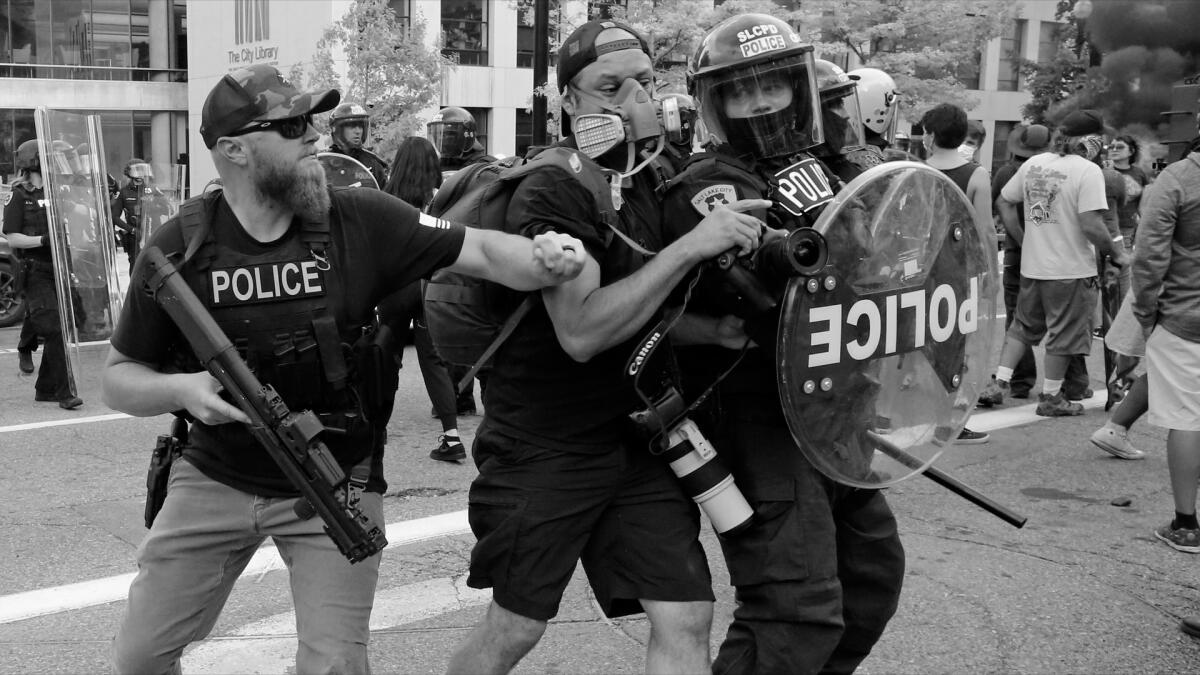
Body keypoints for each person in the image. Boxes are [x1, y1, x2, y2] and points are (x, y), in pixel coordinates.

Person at [101, 63, 587, 674]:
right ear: (235, 150)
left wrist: (547, 255)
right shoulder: (179, 249)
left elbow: (482, 249)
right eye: (294, 124)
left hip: (336, 477)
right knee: (139, 657)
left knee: (335, 667)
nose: (315, 136)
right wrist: (182, 388)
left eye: (315, 120)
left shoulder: (361, 217)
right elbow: (120, 376)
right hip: (216, 476)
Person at [445, 20, 767, 675]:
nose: (634, 100)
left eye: (646, 82)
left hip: (637, 439)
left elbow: (641, 298)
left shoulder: (654, 175)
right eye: (610, 87)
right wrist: (692, 246)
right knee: (517, 627)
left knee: (685, 614)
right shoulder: (558, 185)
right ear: (570, 103)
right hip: (546, 446)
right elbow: (585, 329)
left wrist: (710, 331)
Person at [663, 14, 904, 674]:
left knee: (871, 580)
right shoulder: (707, 182)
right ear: (716, 104)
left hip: (839, 403)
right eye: (740, 92)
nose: (761, 102)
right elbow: (755, 278)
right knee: (795, 608)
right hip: (761, 409)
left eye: (772, 84)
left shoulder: (833, 163)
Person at [981, 109, 1129, 416]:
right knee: (1063, 335)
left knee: (1022, 327)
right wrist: (1115, 254)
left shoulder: (1035, 164)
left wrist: (1024, 239)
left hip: (1033, 266)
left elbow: (1004, 202)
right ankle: (1050, 397)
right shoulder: (1088, 171)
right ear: (1091, 140)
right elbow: (1090, 223)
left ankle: (1000, 383)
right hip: (1071, 269)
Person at [1130, 136, 1200, 560]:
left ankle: (1186, 524)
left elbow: (1150, 257)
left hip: (1184, 316)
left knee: (1187, 418)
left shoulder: (1176, 179)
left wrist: (1145, 313)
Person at [377, 136, 466, 462]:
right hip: (430, 286)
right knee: (434, 363)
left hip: (395, 287)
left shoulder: (385, 200)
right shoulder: (442, 200)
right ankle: (452, 437)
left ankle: (377, 429)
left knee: (386, 359)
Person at [918, 103, 992, 445]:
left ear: (930, 136)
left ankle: (897, 413)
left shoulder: (916, 170)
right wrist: (989, 272)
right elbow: (985, 231)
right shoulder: (976, 174)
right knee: (953, 342)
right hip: (956, 268)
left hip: (919, 269)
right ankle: (946, 422)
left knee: (918, 340)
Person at [427, 105, 498, 415]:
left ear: (465, 136)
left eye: (448, 135)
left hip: (477, 256)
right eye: (438, 135)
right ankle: (457, 396)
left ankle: (487, 396)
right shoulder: (434, 167)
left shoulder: (487, 169)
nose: (442, 142)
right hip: (446, 255)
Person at [2, 139, 83, 410]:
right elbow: (12, 237)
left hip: (60, 266)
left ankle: (45, 388)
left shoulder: (57, 191)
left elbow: (76, 212)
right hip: (35, 268)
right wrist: (42, 241)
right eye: (52, 159)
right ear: (35, 162)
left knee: (73, 321)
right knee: (54, 327)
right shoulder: (19, 194)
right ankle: (63, 391)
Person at [992, 123, 1051, 400]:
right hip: (1054, 252)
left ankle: (1020, 380)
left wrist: (1021, 238)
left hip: (1018, 252)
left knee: (1017, 316)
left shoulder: (1008, 172)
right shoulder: (1054, 172)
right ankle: (1073, 381)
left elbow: (999, 205)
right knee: (1063, 316)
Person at [113, 158, 171, 269]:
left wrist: (152, 204)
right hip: (134, 236)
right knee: (136, 266)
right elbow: (115, 217)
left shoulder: (153, 190)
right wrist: (131, 230)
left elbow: (168, 209)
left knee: (155, 266)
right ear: (130, 173)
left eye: (143, 170)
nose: (141, 173)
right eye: (138, 170)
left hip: (152, 235)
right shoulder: (124, 192)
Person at [327, 102, 389, 188]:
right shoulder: (324, 161)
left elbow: (385, 197)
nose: (358, 131)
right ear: (337, 129)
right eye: (352, 126)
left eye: (360, 126)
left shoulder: (373, 163)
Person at [428, 106, 496, 175]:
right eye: (437, 134)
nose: (440, 138)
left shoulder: (486, 166)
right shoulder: (435, 166)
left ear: (467, 135)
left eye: (449, 133)